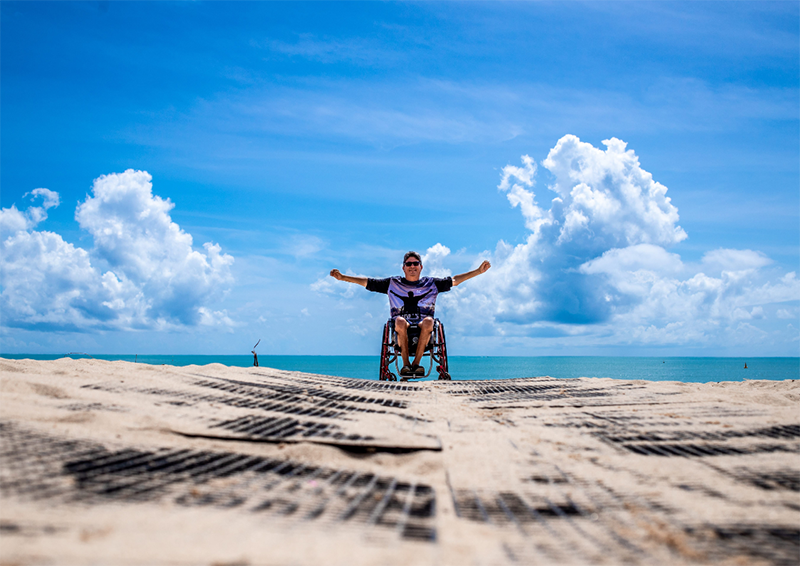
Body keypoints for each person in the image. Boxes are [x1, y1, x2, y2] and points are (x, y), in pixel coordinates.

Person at [330, 251, 491, 377]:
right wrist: (343, 277)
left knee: (429, 322)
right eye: (409, 264)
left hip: (424, 326)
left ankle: (416, 364)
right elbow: (368, 282)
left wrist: (478, 271)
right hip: (401, 326)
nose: (412, 266)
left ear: (421, 267)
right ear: (403, 267)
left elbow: (454, 280)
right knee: (399, 321)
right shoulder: (393, 283)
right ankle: (406, 364)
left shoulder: (431, 283)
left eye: (415, 263)